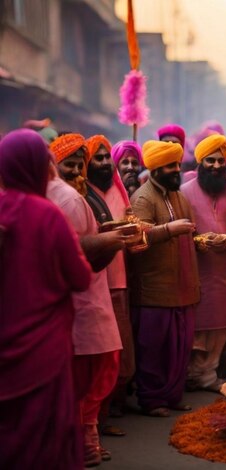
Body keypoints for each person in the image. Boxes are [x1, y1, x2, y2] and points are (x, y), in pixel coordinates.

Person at [0, 129, 92, 470]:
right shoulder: (48, 214)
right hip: (43, 347)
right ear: (43, 167)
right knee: (45, 432)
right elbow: (81, 278)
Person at [48, 133, 125, 466]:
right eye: (70, 165)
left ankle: (86, 438)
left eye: (81, 164)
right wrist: (112, 240)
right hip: (76, 297)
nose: (78, 172)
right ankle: (82, 442)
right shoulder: (65, 199)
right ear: (52, 165)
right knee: (87, 374)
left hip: (91, 294)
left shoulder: (78, 196)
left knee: (100, 369)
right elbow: (77, 252)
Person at [128, 140, 200, 417]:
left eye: (178, 165)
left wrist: (206, 241)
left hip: (183, 283)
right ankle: (152, 399)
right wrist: (169, 229)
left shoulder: (178, 196)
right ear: (156, 168)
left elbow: (191, 232)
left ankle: (172, 395)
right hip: (154, 289)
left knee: (180, 347)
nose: (177, 170)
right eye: (171, 166)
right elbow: (137, 239)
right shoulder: (143, 198)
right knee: (154, 347)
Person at [181, 134, 226, 391]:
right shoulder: (184, 192)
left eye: (221, 161)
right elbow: (179, 228)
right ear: (200, 162)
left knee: (221, 323)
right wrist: (197, 240)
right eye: (210, 161)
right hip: (196, 269)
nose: (216, 166)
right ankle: (191, 373)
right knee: (197, 324)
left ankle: (208, 374)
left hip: (223, 270)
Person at [84, 135, 136, 433]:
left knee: (119, 354)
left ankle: (108, 411)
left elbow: (129, 221)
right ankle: (95, 423)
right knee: (101, 355)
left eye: (106, 158)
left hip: (120, 279)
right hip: (94, 283)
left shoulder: (116, 185)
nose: (105, 163)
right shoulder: (81, 193)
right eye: (98, 158)